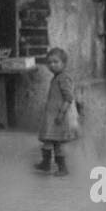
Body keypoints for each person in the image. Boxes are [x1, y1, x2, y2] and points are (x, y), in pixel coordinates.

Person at [33, 47, 80, 176]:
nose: (52, 65)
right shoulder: (56, 78)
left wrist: (61, 114)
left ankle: (62, 168)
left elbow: (68, 98)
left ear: (64, 63)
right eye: (49, 63)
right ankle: (46, 163)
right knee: (48, 141)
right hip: (51, 118)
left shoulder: (64, 78)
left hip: (58, 118)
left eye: (55, 62)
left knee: (57, 144)